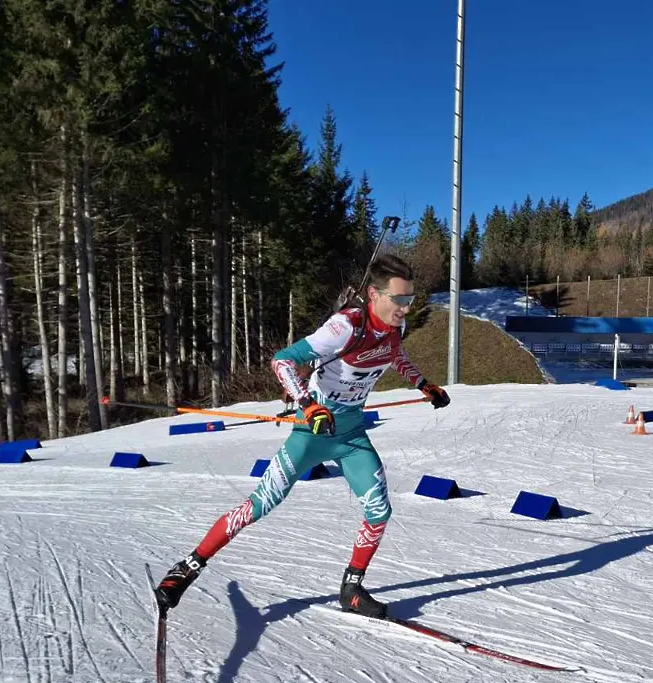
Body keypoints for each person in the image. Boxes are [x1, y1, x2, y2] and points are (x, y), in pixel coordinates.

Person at [154, 253, 450, 619]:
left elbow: (393, 355)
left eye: (410, 300)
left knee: (379, 510)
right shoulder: (344, 327)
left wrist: (423, 384)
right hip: (313, 430)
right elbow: (282, 360)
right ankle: (186, 568)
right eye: (399, 299)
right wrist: (308, 404)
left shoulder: (393, 328)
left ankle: (352, 590)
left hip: (352, 432)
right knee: (260, 504)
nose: (405, 308)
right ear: (374, 294)